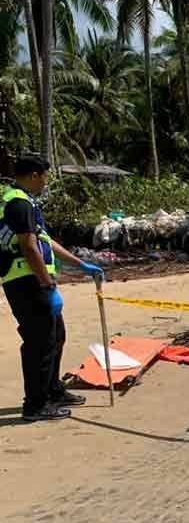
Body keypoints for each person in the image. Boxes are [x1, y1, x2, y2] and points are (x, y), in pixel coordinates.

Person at [1, 155, 104, 422]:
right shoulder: (18, 203)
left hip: (34, 280)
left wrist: (82, 264)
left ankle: (53, 390)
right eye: (45, 176)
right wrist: (46, 284)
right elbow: (28, 246)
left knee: (56, 335)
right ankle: (35, 404)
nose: (47, 182)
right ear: (34, 175)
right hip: (26, 281)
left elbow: (45, 241)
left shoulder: (26, 202)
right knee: (39, 342)